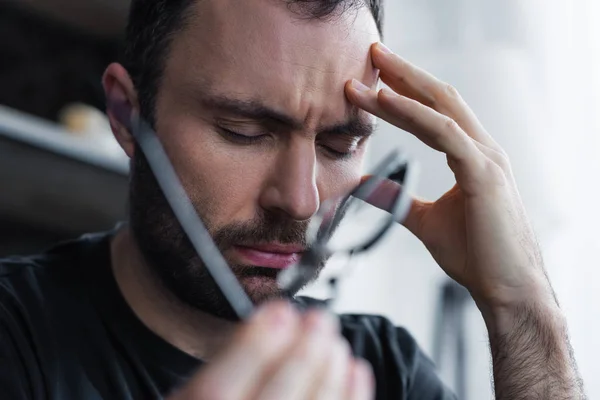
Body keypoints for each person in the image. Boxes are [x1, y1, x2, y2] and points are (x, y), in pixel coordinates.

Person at [0, 0, 587, 399]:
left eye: (340, 143)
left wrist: (523, 306)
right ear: (127, 116)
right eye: (243, 131)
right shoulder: (16, 335)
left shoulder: (384, 370)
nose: (301, 201)